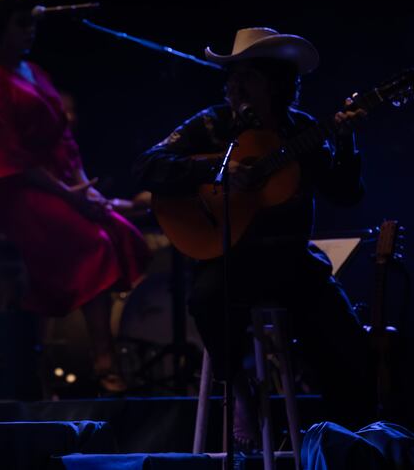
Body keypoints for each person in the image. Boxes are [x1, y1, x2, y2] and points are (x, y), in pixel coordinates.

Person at [133, 27, 374, 443]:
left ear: (277, 83)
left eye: (248, 76)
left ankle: (350, 440)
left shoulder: (302, 130)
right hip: (231, 258)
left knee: (347, 343)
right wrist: (215, 171)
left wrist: (347, 139)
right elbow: (148, 166)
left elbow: (345, 193)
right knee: (206, 299)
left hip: (291, 259)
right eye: (232, 76)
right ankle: (238, 389)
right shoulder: (212, 125)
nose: (234, 85)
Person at [0, 0, 151, 393]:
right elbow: (6, 158)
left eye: (32, 23)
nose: (30, 31)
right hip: (2, 181)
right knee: (90, 240)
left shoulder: (35, 71)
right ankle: (103, 359)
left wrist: (85, 189)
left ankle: (38, 329)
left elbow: (63, 141)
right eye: (21, 24)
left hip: (46, 177)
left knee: (120, 232)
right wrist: (70, 196)